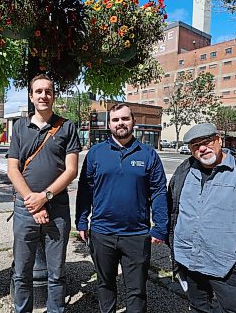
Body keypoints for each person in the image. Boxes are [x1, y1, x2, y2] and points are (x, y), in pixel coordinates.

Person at [167, 123, 236, 312]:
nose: (202, 148)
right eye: (195, 146)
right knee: (197, 308)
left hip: (230, 269)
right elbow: (173, 211)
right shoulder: (184, 170)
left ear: (219, 139)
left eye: (206, 142)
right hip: (190, 261)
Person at [76, 103, 169, 313]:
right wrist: (82, 220)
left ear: (133, 121)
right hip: (102, 233)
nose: (121, 123)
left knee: (136, 291)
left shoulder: (148, 154)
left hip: (136, 235)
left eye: (125, 119)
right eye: (116, 120)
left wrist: (160, 226)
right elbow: (85, 189)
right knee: (105, 284)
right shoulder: (96, 153)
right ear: (109, 124)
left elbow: (159, 192)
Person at [7, 74, 81, 313]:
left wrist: (44, 197)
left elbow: (71, 170)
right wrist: (33, 201)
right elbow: (12, 169)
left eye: (48, 91)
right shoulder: (19, 127)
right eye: (38, 91)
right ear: (31, 96)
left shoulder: (67, 127)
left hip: (56, 208)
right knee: (21, 272)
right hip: (25, 209)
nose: (43, 96)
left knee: (57, 272)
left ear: (54, 96)